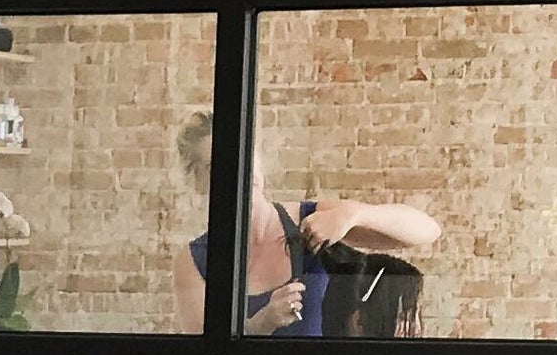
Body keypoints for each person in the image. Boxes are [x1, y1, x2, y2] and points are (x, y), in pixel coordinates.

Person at [169, 114, 441, 337]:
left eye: (245, 153)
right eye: (218, 164)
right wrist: (260, 324)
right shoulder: (195, 260)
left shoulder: (310, 220)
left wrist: (352, 215)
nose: (240, 168)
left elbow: (427, 230)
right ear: (198, 182)